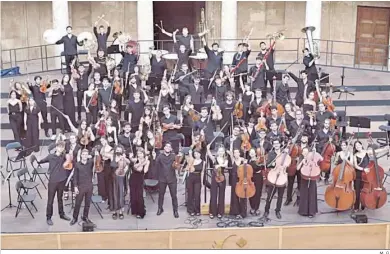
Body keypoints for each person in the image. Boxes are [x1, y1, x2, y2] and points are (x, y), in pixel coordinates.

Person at [38, 141, 71, 225]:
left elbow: (69, 157)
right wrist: (38, 160)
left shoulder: (64, 156)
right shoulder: (50, 156)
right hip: (53, 182)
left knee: (60, 198)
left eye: (62, 147)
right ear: (56, 147)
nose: (61, 148)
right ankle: (48, 217)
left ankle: (62, 214)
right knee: (50, 200)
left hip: (62, 180)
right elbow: (41, 161)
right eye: (59, 147)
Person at [262, 138, 288, 220]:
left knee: (280, 196)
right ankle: (266, 210)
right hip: (273, 175)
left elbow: (287, 163)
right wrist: (273, 163)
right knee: (270, 195)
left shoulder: (284, 153)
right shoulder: (271, 154)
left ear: (280, 144)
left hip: (282, 175)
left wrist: (287, 153)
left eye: (277, 143)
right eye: (275, 144)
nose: (276, 145)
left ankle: (278, 210)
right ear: (273, 145)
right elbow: (269, 165)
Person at [70, 149, 94, 225]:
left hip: (89, 185)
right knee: (78, 203)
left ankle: (85, 217)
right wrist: (75, 187)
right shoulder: (77, 164)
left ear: (88, 156)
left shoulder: (90, 162)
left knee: (87, 203)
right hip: (80, 186)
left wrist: (95, 153)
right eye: (83, 154)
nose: (84, 156)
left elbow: (97, 160)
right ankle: (75, 218)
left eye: (86, 155)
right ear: (81, 155)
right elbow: (75, 177)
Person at [155, 142, 179, 218]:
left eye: (169, 147)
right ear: (164, 148)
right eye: (166, 146)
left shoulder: (174, 156)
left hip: (172, 179)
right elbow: (155, 164)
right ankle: (160, 208)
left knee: (174, 196)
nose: (168, 148)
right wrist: (153, 157)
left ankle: (175, 210)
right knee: (161, 195)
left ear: (171, 149)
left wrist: (177, 167)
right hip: (162, 179)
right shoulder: (160, 156)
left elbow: (177, 166)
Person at [297, 147, 322, 218]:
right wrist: (302, 161)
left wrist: (315, 153)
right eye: (304, 152)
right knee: (304, 194)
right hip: (304, 178)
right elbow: (297, 168)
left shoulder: (312, 157)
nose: (305, 153)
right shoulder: (301, 158)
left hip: (312, 176)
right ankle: (303, 211)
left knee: (312, 193)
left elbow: (321, 159)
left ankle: (312, 212)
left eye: (306, 152)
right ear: (302, 153)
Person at [206, 144, 228, 219]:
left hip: (222, 177)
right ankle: (212, 212)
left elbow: (225, 165)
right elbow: (209, 154)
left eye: (222, 151)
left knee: (221, 195)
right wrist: (208, 149)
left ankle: (220, 212)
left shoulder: (226, 159)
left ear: (224, 152)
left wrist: (219, 165)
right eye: (219, 151)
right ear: (217, 152)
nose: (221, 152)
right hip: (214, 177)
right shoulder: (214, 158)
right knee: (213, 195)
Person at [129, 148, 150, 219]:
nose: (139, 155)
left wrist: (146, 162)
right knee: (133, 195)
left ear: (143, 154)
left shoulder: (147, 161)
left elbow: (144, 171)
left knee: (139, 195)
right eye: (138, 153)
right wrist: (142, 163)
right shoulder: (135, 160)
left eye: (141, 153)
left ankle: (141, 212)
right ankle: (135, 211)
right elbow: (135, 167)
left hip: (140, 179)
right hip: (133, 178)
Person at [185, 149, 204, 216]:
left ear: (200, 154)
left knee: (197, 195)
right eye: (195, 154)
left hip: (198, 178)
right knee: (190, 194)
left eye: (197, 154)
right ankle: (191, 210)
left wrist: (202, 182)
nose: (196, 155)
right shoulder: (192, 160)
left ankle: (197, 210)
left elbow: (202, 172)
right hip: (191, 177)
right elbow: (187, 169)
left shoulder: (203, 162)